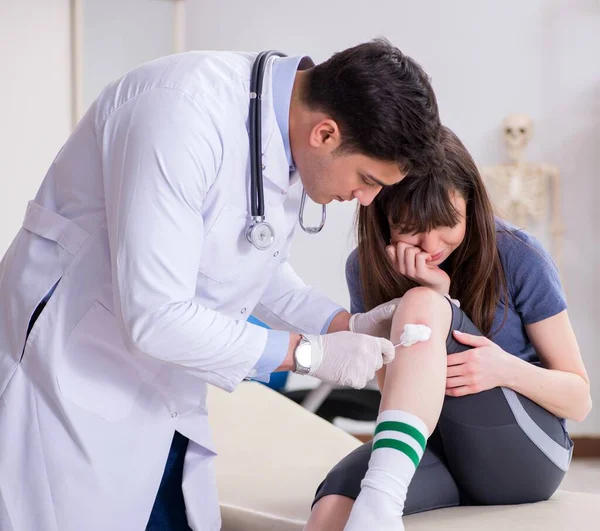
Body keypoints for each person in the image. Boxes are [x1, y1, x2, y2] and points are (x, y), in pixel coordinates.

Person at [0, 39, 443, 531]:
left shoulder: (279, 131)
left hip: (161, 398)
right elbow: (156, 317)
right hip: (66, 388)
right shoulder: (179, 115)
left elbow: (251, 263)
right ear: (326, 133)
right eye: (367, 178)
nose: (365, 200)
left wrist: (343, 323)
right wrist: (307, 355)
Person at [306, 127, 591, 531]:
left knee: (421, 304)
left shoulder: (517, 254)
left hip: (525, 456)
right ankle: (378, 502)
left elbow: (579, 400)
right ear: (383, 219)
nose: (431, 243)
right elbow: (392, 392)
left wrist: (503, 368)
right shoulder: (366, 267)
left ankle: (383, 496)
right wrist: (427, 295)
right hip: (437, 449)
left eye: (446, 222)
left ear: (470, 204)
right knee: (333, 506)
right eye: (411, 228)